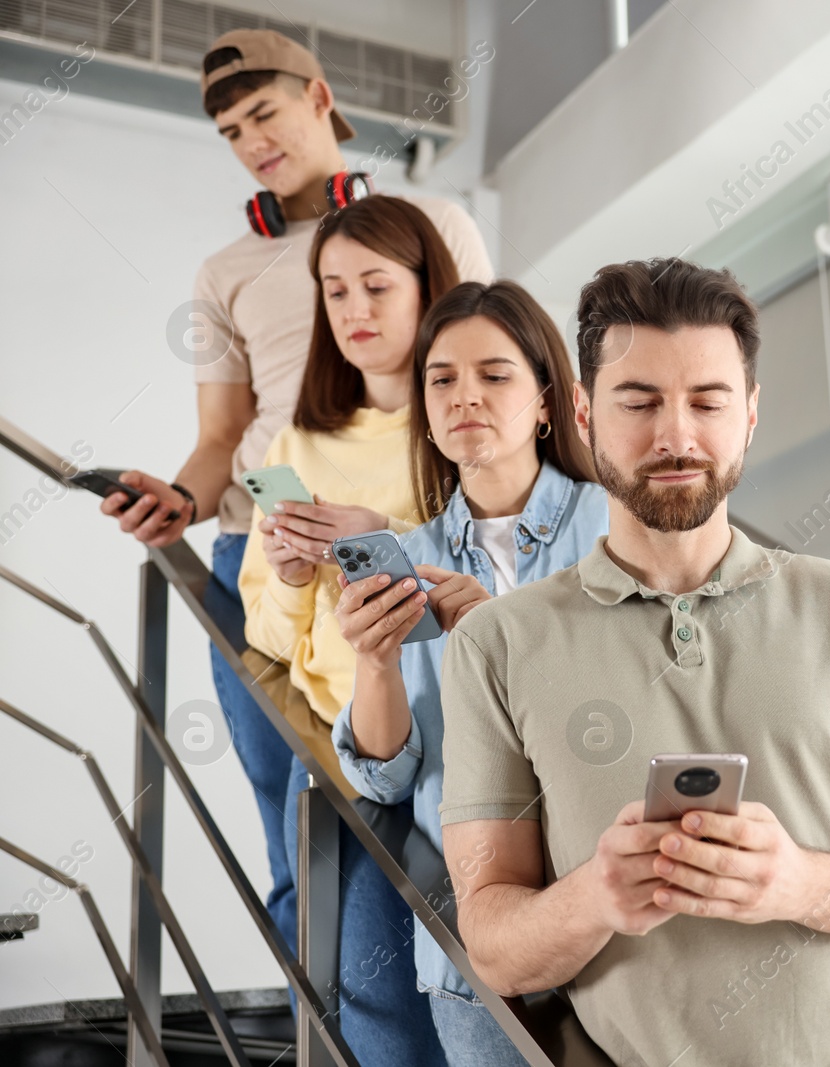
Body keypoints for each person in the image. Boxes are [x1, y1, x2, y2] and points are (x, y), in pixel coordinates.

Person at [437, 258, 830, 1065]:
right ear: (584, 412)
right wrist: (596, 896)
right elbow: (491, 940)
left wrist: (796, 882)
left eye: (707, 401)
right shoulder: (498, 643)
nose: (676, 436)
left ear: (751, 412)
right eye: (640, 401)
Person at [95, 27, 492, 955]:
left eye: (263, 113)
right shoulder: (224, 272)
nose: (251, 142)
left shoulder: (436, 223)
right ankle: (318, 1033)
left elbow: (492, 372)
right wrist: (181, 503)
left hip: (402, 538)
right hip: (262, 557)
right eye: (231, 131)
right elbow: (221, 441)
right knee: (294, 824)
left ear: (320, 98)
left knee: (428, 813)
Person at [329, 280, 607, 1065]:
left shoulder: (615, 524)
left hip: (617, 916)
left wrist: (501, 635)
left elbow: (648, 703)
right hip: (472, 938)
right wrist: (375, 662)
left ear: (548, 401)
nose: (464, 398)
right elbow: (387, 782)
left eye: (494, 375)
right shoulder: (409, 553)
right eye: (442, 379)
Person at [237, 194, 476, 1067]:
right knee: (371, 995)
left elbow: (505, 578)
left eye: (376, 285)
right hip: (350, 752)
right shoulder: (297, 441)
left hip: (458, 744)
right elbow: (265, 638)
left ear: (427, 289)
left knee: (472, 983)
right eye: (335, 291)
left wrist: (382, 534)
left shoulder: (462, 415)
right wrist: (298, 578)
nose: (355, 311)